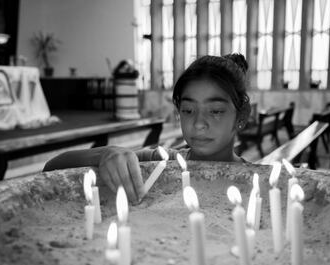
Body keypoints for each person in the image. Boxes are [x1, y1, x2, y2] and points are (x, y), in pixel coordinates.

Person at [43, 53, 252, 204]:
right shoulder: (160, 163)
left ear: (241, 116)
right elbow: (52, 167)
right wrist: (106, 154)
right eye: (188, 110)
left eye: (215, 111)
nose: (198, 123)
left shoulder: (254, 181)